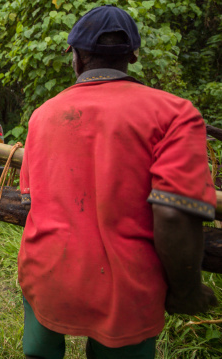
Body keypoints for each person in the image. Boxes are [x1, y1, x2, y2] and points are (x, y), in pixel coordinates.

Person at [18, 5, 218, 359]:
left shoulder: (43, 115)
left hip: (45, 275)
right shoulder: (175, 114)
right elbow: (175, 214)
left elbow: (35, 199)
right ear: (134, 56)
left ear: (76, 59)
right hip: (126, 291)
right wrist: (186, 292)